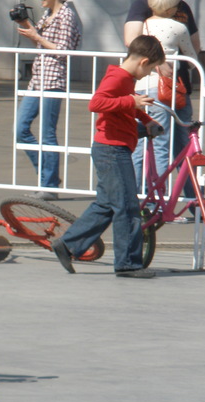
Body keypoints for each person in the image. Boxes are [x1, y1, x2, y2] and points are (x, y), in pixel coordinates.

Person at [51, 35, 164, 279]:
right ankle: (128, 264)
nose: (148, 74)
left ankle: (68, 244)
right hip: (112, 149)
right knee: (127, 208)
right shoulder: (119, 77)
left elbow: (127, 106)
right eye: (151, 69)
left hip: (112, 148)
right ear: (144, 61)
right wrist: (131, 100)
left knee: (107, 205)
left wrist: (147, 120)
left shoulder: (125, 78)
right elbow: (97, 103)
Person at [124, 0, 202, 207]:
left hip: (158, 87)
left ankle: (154, 200)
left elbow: (134, 43)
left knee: (158, 144)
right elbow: (193, 53)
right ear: (170, 9)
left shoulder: (151, 19)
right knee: (166, 144)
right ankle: (155, 201)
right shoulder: (176, 19)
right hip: (168, 87)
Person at [13, 0, 81, 200]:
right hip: (37, 78)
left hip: (53, 79)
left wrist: (35, 36)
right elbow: (40, 41)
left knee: (47, 133)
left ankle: (49, 185)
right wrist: (25, 23)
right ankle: (47, 177)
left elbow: (63, 50)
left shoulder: (67, 15)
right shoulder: (47, 14)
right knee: (20, 129)